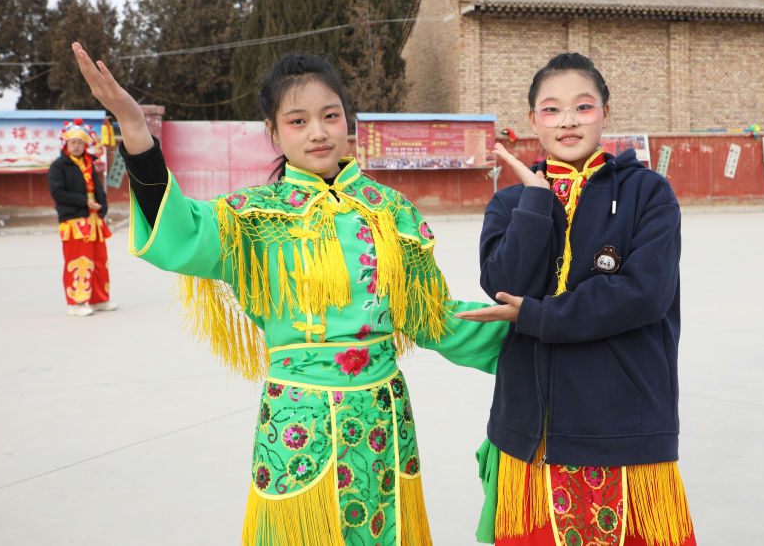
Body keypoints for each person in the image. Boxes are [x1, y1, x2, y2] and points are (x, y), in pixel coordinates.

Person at [71, 43, 509, 546]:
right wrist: (133, 125)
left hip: (382, 424)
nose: (318, 132)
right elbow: (180, 229)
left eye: (330, 115)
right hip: (299, 423)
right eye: (298, 121)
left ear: (347, 122)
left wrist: (537, 335)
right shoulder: (253, 218)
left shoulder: (390, 211)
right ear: (274, 132)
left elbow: (434, 318)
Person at [457, 53, 696, 546]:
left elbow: (644, 295)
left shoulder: (648, 193)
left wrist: (539, 315)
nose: (567, 120)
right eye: (552, 109)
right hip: (533, 426)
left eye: (582, 107)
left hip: (624, 420)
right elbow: (503, 283)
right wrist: (536, 201)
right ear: (533, 121)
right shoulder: (509, 202)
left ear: (605, 112)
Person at [47, 118, 118, 316]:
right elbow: (57, 193)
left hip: (94, 220)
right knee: (79, 262)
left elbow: (98, 188)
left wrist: (103, 206)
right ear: (66, 144)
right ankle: (76, 302)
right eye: (73, 142)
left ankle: (98, 299)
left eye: (80, 142)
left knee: (99, 261)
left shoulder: (89, 164)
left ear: (85, 144)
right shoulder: (58, 166)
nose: (76, 146)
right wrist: (85, 202)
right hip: (74, 221)